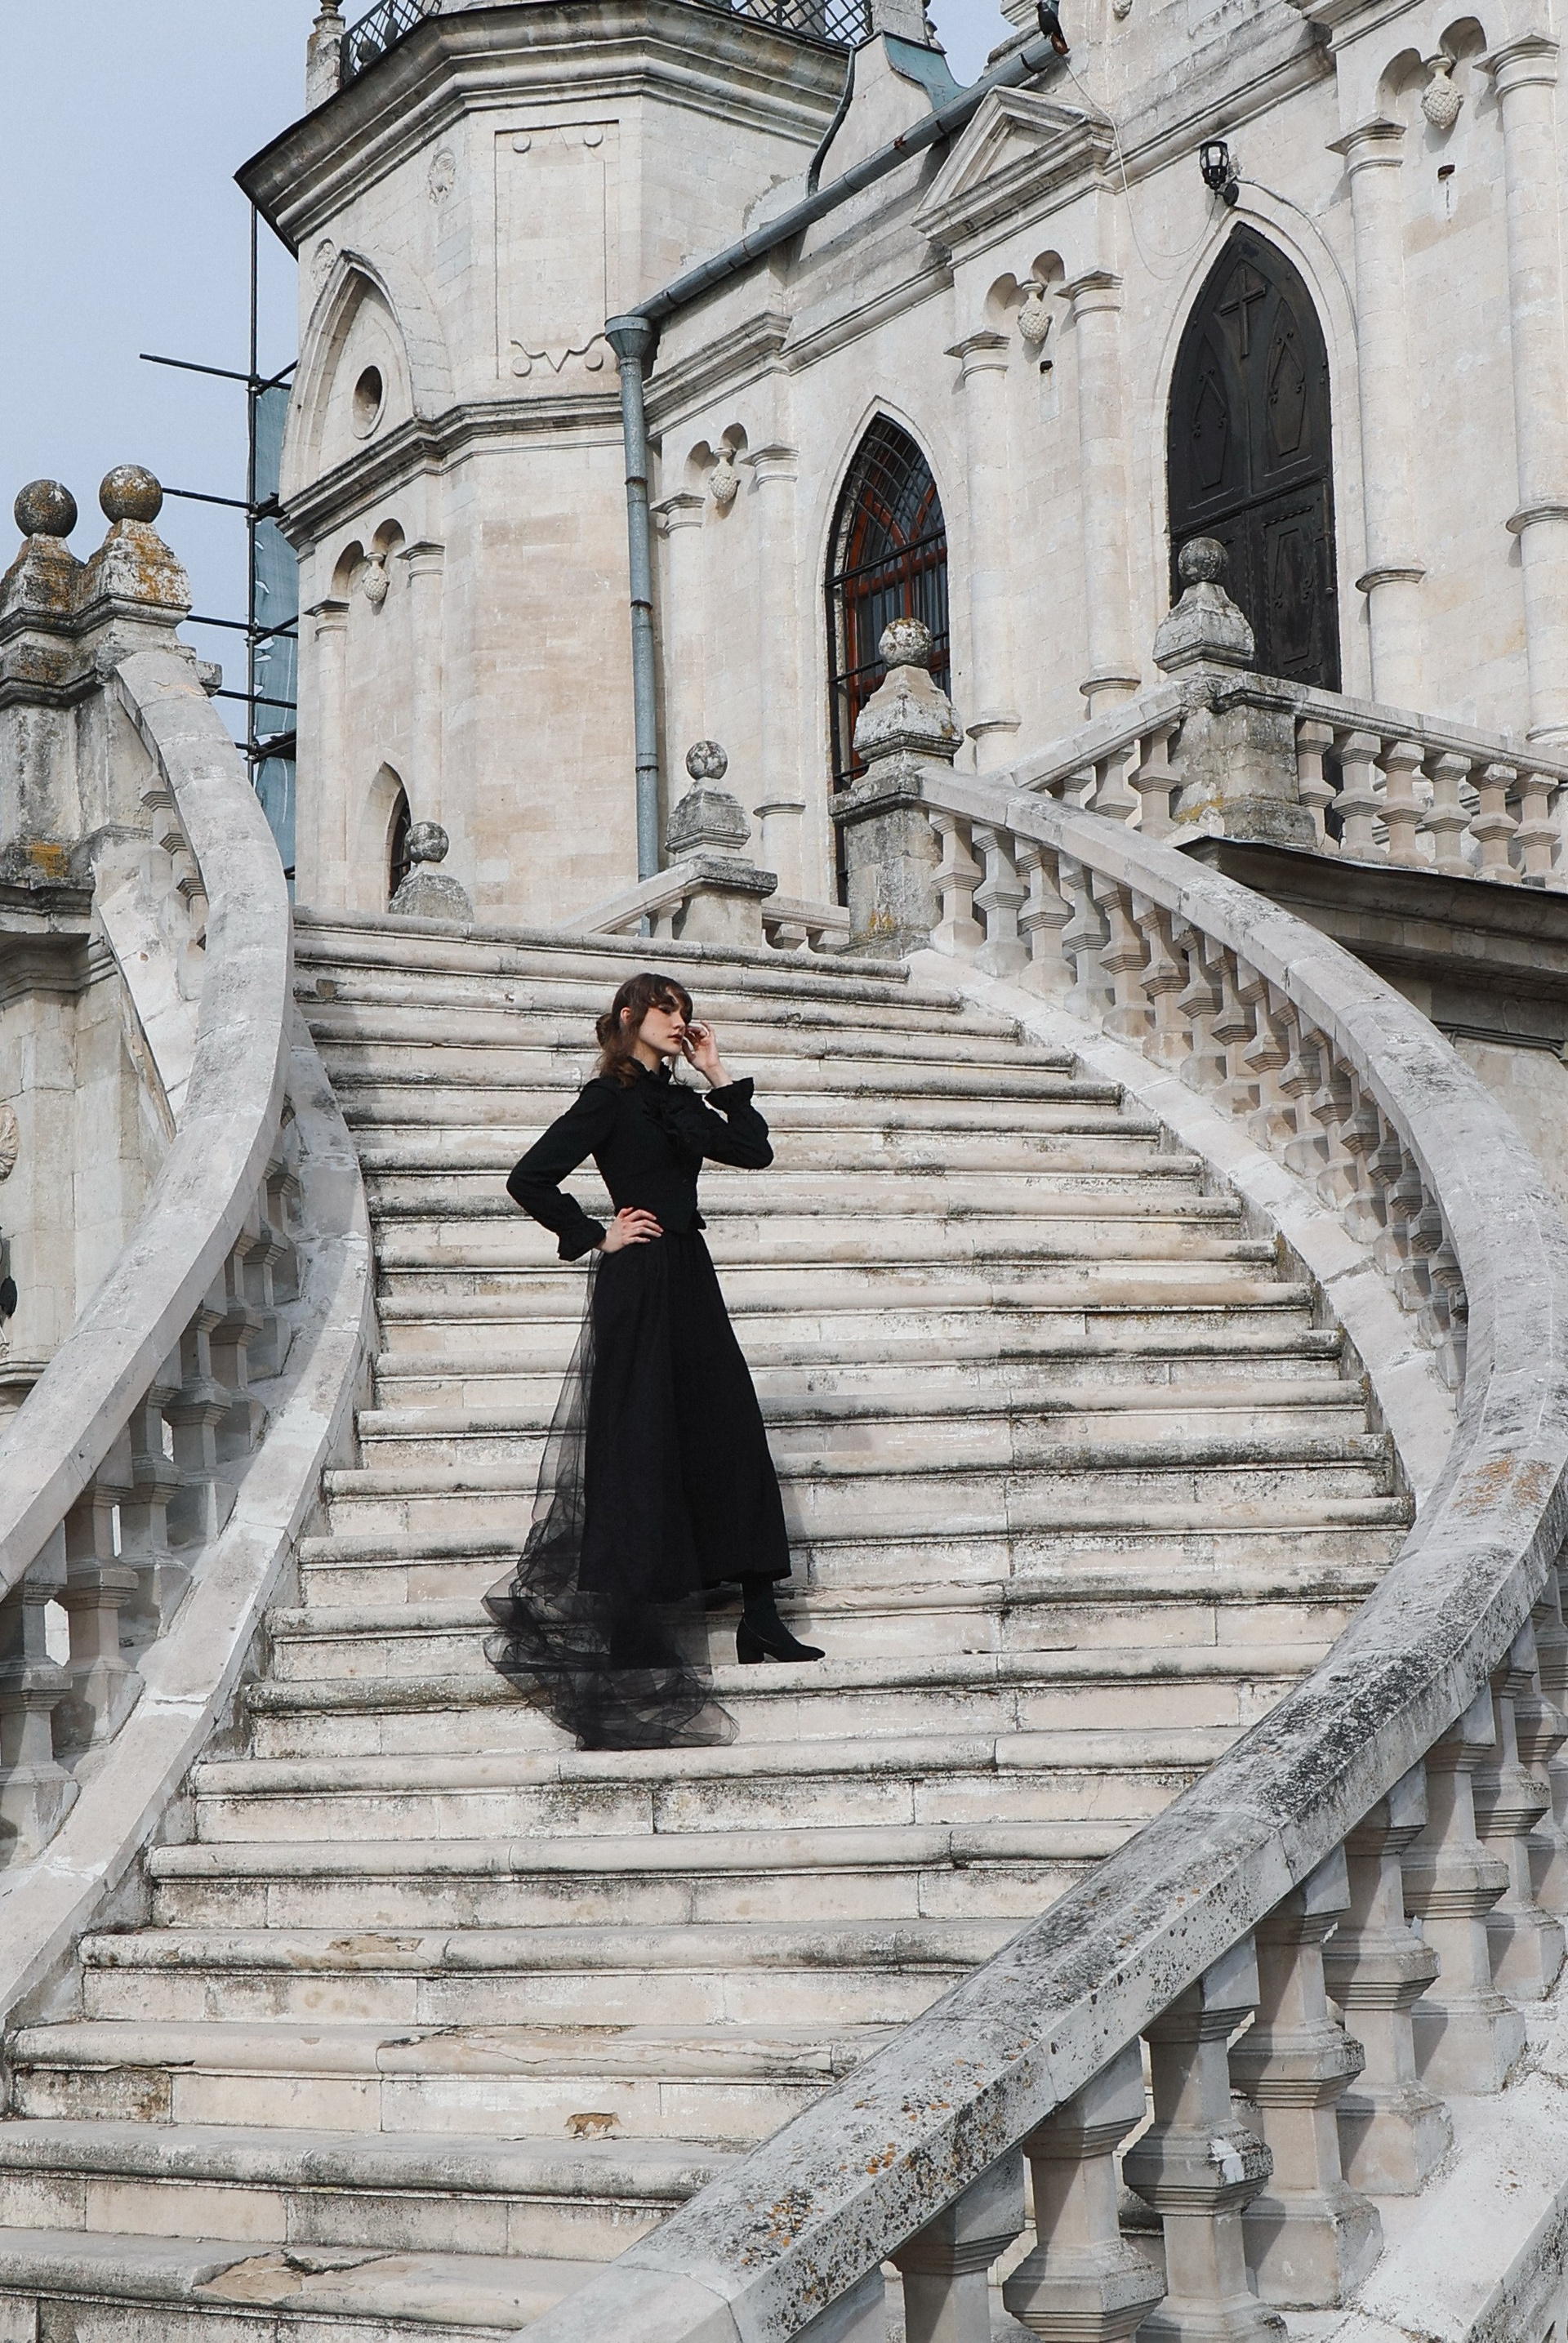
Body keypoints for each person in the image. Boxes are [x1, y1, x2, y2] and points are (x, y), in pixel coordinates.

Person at [483, 969, 823, 1750]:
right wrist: (594, 1234)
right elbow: (528, 1177)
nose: (678, 1020)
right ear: (630, 1014)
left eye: (685, 1011)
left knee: (728, 1427)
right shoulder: (607, 1098)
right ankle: (633, 1629)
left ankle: (761, 1616)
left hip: (691, 1277)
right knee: (638, 1441)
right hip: (637, 1282)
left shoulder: (682, 1102)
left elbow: (755, 1150)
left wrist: (716, 1070)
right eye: (666, 1009)